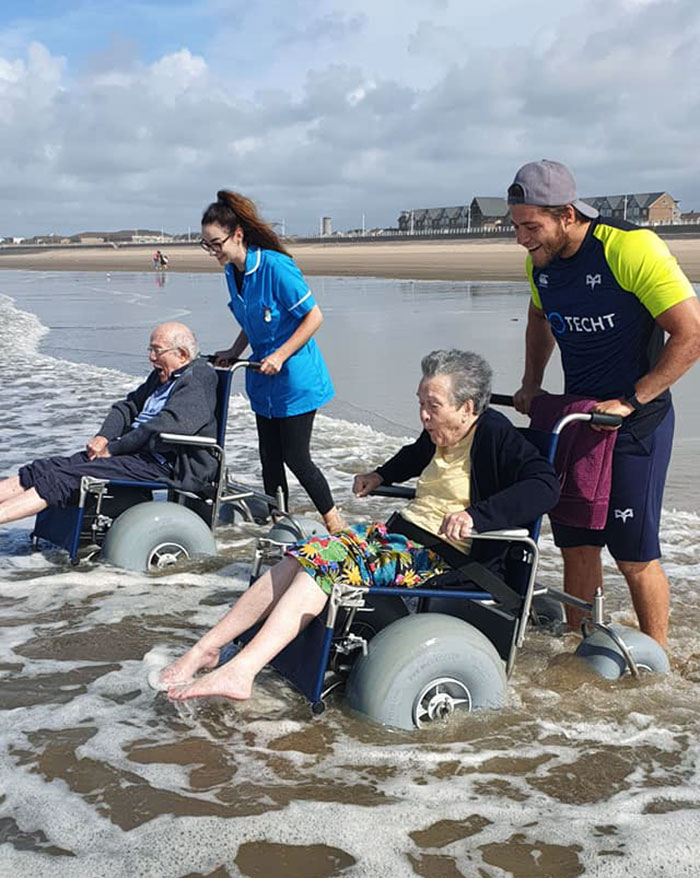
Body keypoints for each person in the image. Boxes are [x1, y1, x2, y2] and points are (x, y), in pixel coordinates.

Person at [160, 349, 560, 702]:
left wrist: (477, 516)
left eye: (433, 406)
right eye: (420, 403)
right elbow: (415, 454)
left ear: (468, 408)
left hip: (440, 557)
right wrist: (381, 475)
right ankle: (207, 649)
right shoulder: (441, 434)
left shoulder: (494, 434)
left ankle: (242, 671)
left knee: (325, 566)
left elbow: (545, 486)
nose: (423, 415)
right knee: (299, 557)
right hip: (401, 540)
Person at [507, 159, 700, 646]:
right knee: (576, 545)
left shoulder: (630, 248)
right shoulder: (541, 264)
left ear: (567, 215)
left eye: (531, 227)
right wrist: (532, 381)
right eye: (516, 226)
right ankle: (582, 649)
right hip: (576, 423)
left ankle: (657, 664)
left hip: (638, 423)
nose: (521, 239)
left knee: (633, 553)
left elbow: (691, 334)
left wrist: (630, 401)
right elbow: (539, 317)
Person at [200, 190, 344, 533]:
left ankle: (335, 523)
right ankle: (277, 524)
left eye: (216, 243)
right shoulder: (231, 273)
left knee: (296, 456)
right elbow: (252, 321)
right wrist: (234, 352)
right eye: (206, 245)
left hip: (295, 378)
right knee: (269, 457)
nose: (213, 252)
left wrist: (280, 355)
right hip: (261, 379)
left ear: (237, 235)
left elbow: (314, 317)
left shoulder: (276, 267)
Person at [0, 322, 218, 525]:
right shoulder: (161, 376)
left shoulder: (198, 376)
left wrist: (114, 448)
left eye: (157, 351)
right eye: (150, 350)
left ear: (182, 354)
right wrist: (104, 436)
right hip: (135, 453)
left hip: (162, 461)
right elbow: (127, 407)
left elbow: (170, 425)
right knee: (42, 469)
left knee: (62, 478)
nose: (151, 357)